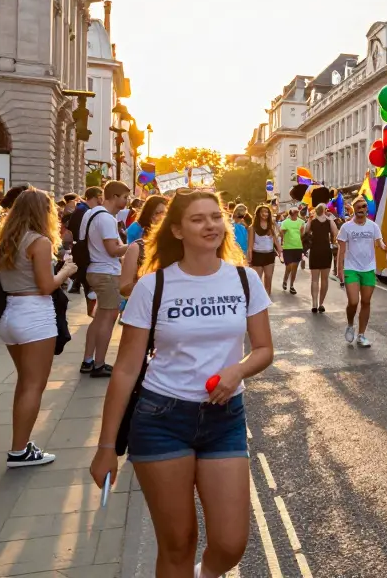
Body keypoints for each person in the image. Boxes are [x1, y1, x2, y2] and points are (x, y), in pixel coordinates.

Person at [91, 189, 273, 578]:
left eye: (215, 217)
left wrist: (237, 370)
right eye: (197, 219)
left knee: (230, 542)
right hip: (161, 420)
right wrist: (106, 447)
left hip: (224, 419)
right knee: (177, 543)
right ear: (176, 230)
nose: (210, 225)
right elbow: (125, 370)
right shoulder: (151, 286)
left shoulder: (245, 280)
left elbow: (263, 349)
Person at [0, 189, 79, 466]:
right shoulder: (38, 241)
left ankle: (21, 445)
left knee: (25, 384)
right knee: (34, 386)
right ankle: (19, 451)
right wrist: (65, 271)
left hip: (11, 314)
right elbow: (45, 286)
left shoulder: (6, 239)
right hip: (34, 316)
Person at [81, 181, 130, 378]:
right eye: (125, 197)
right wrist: (134, 246)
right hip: (106, 272)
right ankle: (99, 364)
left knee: (100, 317)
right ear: (115, 196)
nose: (127, 201)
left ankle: (88, 360)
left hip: (95, 270)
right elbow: (112, 250)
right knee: (108, 319)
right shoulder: (107, 219)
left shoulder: (91, 213)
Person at [336, 197, 385, 348]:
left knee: (365, 302)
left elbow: (380, 243)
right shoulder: (346, 227)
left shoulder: (373, 226)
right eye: (358, 206)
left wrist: (386, 247)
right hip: (351, 268)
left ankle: (361, 335)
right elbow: (341, 250)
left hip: (369, 268)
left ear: (366, 209)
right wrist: (340, 270)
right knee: (353, 302)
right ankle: (350, 324)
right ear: (353, 209)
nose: (361, 209)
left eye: (364, 206)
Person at [118, 196, 168, 307]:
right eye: (157, 213)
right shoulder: (136, 231)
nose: (161, 217)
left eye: (164, 213)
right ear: (149, 213)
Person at [306, 204, 337, 313]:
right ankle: (321, 303)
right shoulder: (329, 221)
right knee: (324, 279)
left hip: (314, 251)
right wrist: (329, 218)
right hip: (325, 251)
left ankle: (314, 303)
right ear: (325, 210)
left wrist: (310, 220)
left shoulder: (312, 221)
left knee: (314, 280)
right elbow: (335, 232)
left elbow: (305, 231)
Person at [248, 205, 281, 295]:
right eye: (262, 212)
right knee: (257, 280)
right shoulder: (252, 227)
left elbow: (276, 241)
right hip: (257, 255)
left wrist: (281, 251)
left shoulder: (272, 226)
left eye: (266, 212)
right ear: (258, 214)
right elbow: (250, 246)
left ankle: (267, 300)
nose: (265, 214)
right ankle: (258, 300)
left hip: (269, 255)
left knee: (269, 278)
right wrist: (249, 259)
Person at [278, 207, 305, 294]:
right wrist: (283, 234)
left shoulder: (301, 222)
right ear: (290, 213)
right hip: (288, 247)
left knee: (295, 268)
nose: (296, 214)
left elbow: (302, 233)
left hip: (298, 247)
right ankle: (285, 280)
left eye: (297, 212)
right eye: (294, 213)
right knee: (289, 267)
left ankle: (292, 286)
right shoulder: (285, 222)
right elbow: (281, 232)